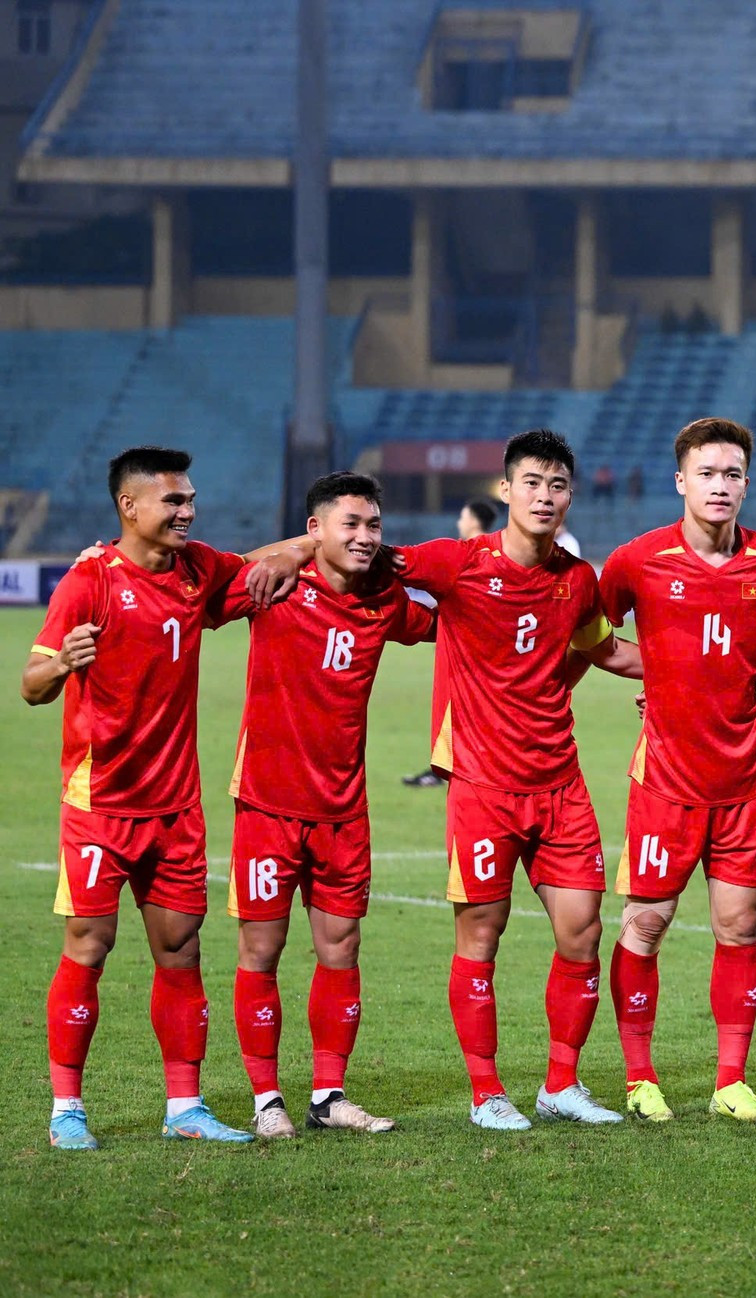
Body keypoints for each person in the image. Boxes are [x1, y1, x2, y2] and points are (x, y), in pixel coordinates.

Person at [23, 446, 297, 1148]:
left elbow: (255, 564)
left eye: (190, 500)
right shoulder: (88, 583)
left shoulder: (197, 570)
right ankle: (66, 1111)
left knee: (180, 949)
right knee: (90, 943)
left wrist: (321, 536)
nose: (188, 511)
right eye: (174, 502)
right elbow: (31, 684)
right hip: (101, 804)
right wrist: (62, 663)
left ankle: (185, 1108)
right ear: (130, 507)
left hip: (175, 808)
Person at [395, 429, 639, 1131]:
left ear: (569, 496)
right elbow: (365, 559)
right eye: (531, 482)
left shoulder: (576, 577)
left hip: (559, 781)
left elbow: (605, 649)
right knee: (482, 934)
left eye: (557, 485)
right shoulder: (457, 563)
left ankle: (560, 1084)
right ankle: (485, 1093)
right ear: (507, 489)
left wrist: (691, 674)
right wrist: (287, 554)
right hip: (481, 784)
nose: (544, 496)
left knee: (582, 932)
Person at [212, 472, 433, 1138]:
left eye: (374, 526)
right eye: (351, 525)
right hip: (268, 804)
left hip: (343, 812)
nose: (366, 537)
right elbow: (193, 579)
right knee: (261, 948)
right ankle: (265, 1099)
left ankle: (328, 1096)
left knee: (341, 947)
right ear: (315, 530)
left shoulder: (386, 600)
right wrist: (287, 554)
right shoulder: (272, 585)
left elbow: (455, 625)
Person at [598, 418, 756, 1125]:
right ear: (680, 480)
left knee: (738, 927)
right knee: (645, 922)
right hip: (667, 779)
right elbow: (590, 632)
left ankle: (730, 1082)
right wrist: (650, 666)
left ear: (747, 483)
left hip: (744, 777)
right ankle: (639, 1077)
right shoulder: (637, 560)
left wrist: (730, 674)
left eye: (732, 474)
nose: (720, 486)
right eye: (707, 474)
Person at [404, 497, 500, 790]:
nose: (460, 521)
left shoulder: (463, 558)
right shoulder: (502, 554)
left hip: (469, 664)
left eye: (462, 515)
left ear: (472, 520)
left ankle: (448, 771)